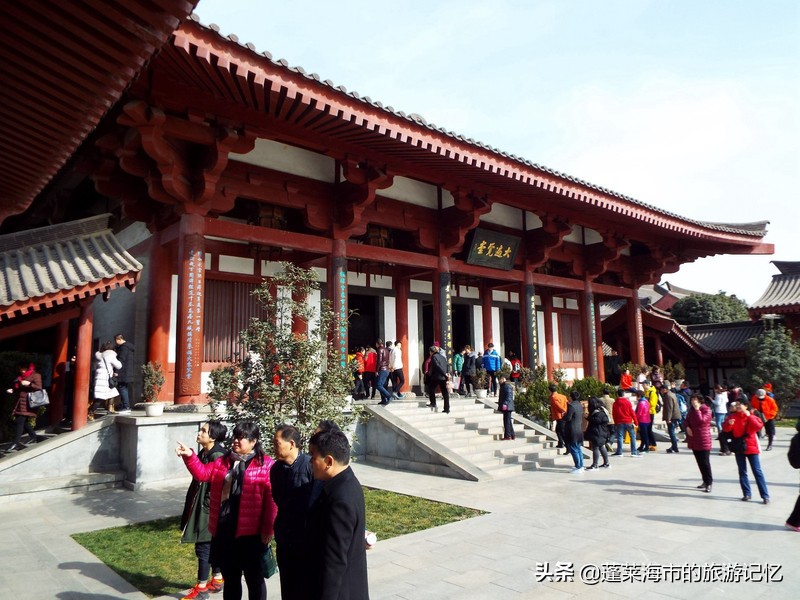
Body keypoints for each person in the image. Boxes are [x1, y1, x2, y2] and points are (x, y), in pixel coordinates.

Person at [176, 422, 277, 600]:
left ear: (253, 441)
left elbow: (271, 500)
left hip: (251, 534)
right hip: (226, 531)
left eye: (242, 437)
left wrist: (268, 528)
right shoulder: (223, 461)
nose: (236, 441)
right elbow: (202, 474)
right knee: (231, 578)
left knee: (255, 579)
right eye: (236, 436)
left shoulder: (265, 464)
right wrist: (190, 456)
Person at [306, 429, 369, 600]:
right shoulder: (346, 482)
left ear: (328, 461)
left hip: (341, 591)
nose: (310, 461)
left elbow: (334, 561)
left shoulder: (340, 499)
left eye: (313, 456)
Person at [180, 420, 228, 600]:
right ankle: (217, 579)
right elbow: (198, 472)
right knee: (211, 544)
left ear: (213, 437)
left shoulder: (217, 456)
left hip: (209, 507)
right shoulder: (206, 452)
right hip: (206, 505)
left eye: (204, 431)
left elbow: (214, 482)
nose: (199, 433)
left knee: (203, 546)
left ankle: (201, 588)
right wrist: (188, 456)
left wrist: (208, 505)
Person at [271, 424, 319, 600]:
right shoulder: (276, 469)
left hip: (305, 539)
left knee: (304, 587)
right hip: (285, 537)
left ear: (291, 444)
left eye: (277, 443)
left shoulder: (310, 466)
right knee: (288, 585)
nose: (274, 447)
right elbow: (277, 498)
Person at [722, 400, 770, 504]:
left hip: (751, 446)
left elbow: (758, 427)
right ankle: (747, 493)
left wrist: (750, 416)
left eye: (740, 405)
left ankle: (765, 495)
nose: (738, 406)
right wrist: (729, 424)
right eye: (737, 405)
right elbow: (725, 429)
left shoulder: (751, 416)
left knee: (757, 471)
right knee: (742, 471)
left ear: (746, 406)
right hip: (739, 447)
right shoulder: (732, 416)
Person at [7, 362, 42, 451]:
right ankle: (34, 437)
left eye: (23, 369)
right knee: (23, 421)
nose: (21, 371)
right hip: (20, 401)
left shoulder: (36, 375)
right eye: (20, 369)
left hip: (29, 402)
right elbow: (19, 387)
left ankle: (16, 443)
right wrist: (13, 390)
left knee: (20, 421)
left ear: (28, 368)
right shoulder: (21, 377)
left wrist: (29, 384)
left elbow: (39, 387)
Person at [684, 394, 713, 492]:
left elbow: (702, 421)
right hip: (694, 439)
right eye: (692, 399)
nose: (693, 401)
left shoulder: (706, 410)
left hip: (703, 439)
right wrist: (687, 427)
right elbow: (686, 420)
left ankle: (709, 482)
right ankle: (704, 481)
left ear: (700, 400)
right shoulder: (691, 411)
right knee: (699, 462)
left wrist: (697, 410)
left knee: (705, 462)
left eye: (695, 399)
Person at [92, 341, 121, 418]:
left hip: (99, 377)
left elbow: (95, 367)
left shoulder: (98, 355)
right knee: (100, 397)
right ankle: (90, 412)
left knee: (112, 392)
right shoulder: (110, 355)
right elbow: (119, 365)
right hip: (105, 379)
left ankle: (110, 409)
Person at [584, 396, 611, 470]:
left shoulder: (598, 412)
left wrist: (588, 417)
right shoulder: (602, 410)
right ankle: (606, 463)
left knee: (595, 447)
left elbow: (597, 420)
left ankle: (595, 465)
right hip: (601, 432)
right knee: (602, 447)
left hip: (598, 432)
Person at [612, 388, 640, 457]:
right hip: (628, 421)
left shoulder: (615, 403)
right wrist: (636, 422)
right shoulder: (627, 402)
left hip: (619, 421)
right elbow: (632, 412)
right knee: (632, 436)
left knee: (620, 437)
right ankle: (634, 452)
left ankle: (619, 451)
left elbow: (614, 414)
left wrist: (615, 423)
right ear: (623, 394)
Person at [563, 390, 584, 473]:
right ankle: (581, 465)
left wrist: (564, 415)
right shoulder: (579, 405)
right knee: (578, 448)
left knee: (574, 449)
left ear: (571, 397)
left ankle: (578, 466)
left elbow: (568, 418)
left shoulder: (571, 406)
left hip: (572, 429)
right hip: (579, 428)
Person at [114, 333, 135, 414]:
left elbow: (121, 360)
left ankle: (126, 406)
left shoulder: (124, 348)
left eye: (116, 340)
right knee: (124, 388)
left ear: (119, 339)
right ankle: (124, 405)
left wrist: (116, 372)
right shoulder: (129, 347)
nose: (116, 342)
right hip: (127, 371)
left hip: (123, 371)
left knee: (122, 388)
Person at [425, 345, 450, 413]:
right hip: (444, 377)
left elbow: (437, 366)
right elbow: (447, 365)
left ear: (431, 352)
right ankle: (447, 408)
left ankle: (433, 403)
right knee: (445, 392)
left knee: (431, 388)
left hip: (437, 376)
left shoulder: (434, 357)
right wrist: (447, 373)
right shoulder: (442, 357)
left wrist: (443, 373)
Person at [786, 419, 800, 532]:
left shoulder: (796, 438)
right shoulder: (797, 438)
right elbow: (794, 457)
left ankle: (793, 521)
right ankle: (793, 521)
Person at [660, 384, 682, 453]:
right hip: (675, 416)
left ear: (664, 389)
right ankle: (674, 446)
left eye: (661, 390)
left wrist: (668, 419)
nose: (660, 391)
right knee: (672, 432)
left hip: (672, 417)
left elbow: (669, 408)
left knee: (671, 432)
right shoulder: (672, 394)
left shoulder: (668, 396)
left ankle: (675, 447)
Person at [549, 384, 568, 449]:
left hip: (559, 415)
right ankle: (561, 443)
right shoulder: (563, 396)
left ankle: (564, 443)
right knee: (559, 430)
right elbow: (566, 404)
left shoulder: (553, 397)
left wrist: (563, 410)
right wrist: (565, 410)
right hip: (563, 415)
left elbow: (558, 406)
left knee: (560, 430)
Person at [374, 339, 392, 405]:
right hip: (386, 369)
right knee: (382, 385)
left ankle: (388, 396)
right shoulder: (386, 349)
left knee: (378, 385)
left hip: (382, 369)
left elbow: (379, 361)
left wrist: (376, 370)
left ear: (377, 344)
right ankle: (383, 399)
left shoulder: (379, 349)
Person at [497, 374, 515, 440]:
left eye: (500, 379)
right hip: (507, 406)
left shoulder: (506, 386)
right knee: (508, 421)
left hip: (507, 406)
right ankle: (512, 434)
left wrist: (505, 403)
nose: (499, 381)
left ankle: (508, 436)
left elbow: (508, 396)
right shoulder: (503, 386)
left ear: (503, 379)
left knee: (506, 421)